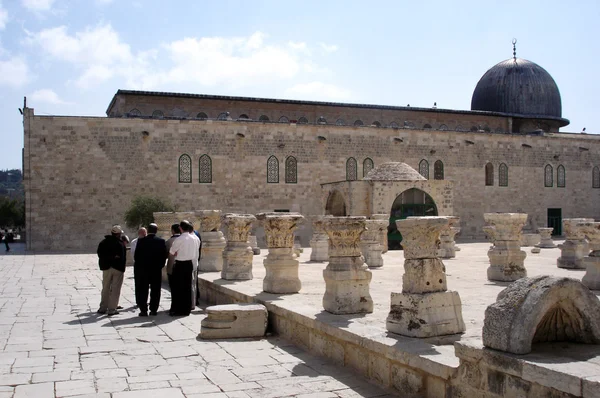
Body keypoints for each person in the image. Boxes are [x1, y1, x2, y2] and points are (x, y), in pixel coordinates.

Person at [133, 223, 167, 316]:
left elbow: (136, 256)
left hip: (143, 270)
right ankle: (153, 309)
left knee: (143, 290)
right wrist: (160, 266)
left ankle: (143, 310)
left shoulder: (141, 241)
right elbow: (164, 256)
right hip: (156, 270)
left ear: (147, 230)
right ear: (156, 231)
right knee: (155, 290)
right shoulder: (161, 241)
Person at [169, 220, 200, 316]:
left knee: (179, 287)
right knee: (187, 287)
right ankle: (186, 309)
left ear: (181, 228)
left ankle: (179, 309)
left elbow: (172, 251)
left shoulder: (180, 239)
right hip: (190, 264)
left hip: (180, 264)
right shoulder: (194, 238)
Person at [97, 225, 126, 316]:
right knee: (115, 289)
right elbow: (122, 256)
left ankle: (103, 308)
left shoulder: (103, 242)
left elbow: (100, 254)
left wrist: (108, 259)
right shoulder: (120, 243)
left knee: (105, 288)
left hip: (106, 268)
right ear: (119, 234)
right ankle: (112, 309)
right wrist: (115, 258)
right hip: (117, 269)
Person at [165, 224, 181, 314]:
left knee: (173, 288)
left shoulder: (169, 241)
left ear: (173, 231)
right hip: (182, 266)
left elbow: (166, 253)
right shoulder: (185, 240)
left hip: (171, 267)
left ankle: (174, 307)